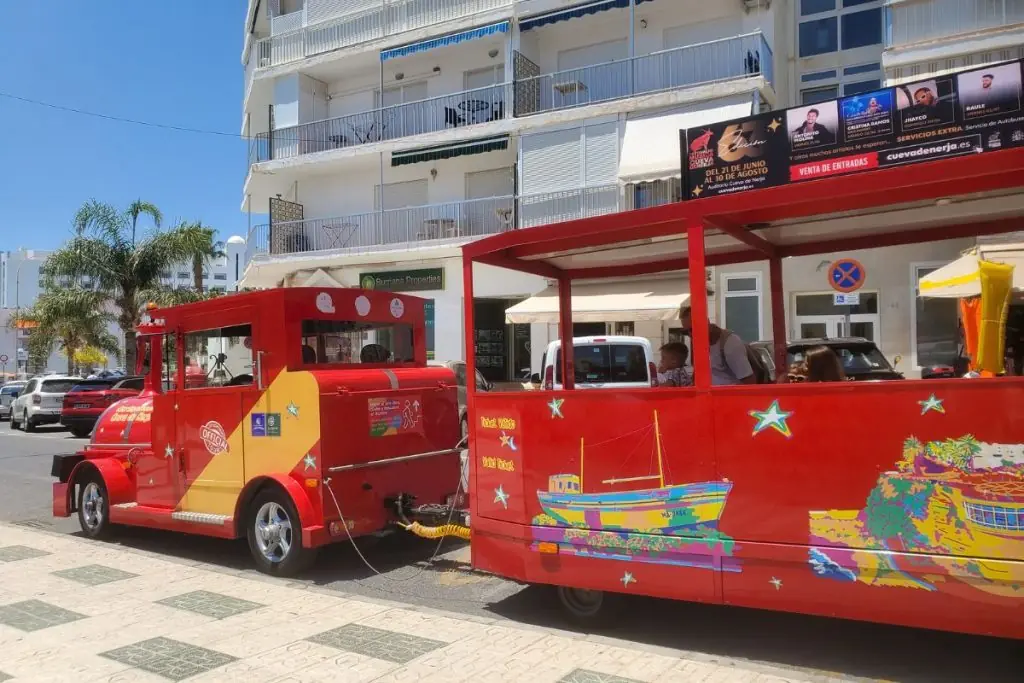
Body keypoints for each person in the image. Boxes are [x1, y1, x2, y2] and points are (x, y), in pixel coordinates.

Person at [678, 306, 754, 386]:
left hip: (729, 396)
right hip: (711, 396)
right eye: (686, 332)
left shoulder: (730, 343)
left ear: (705, 324)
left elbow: (749, 382)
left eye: (693, 329)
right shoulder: (700, 344)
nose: (690, 335)